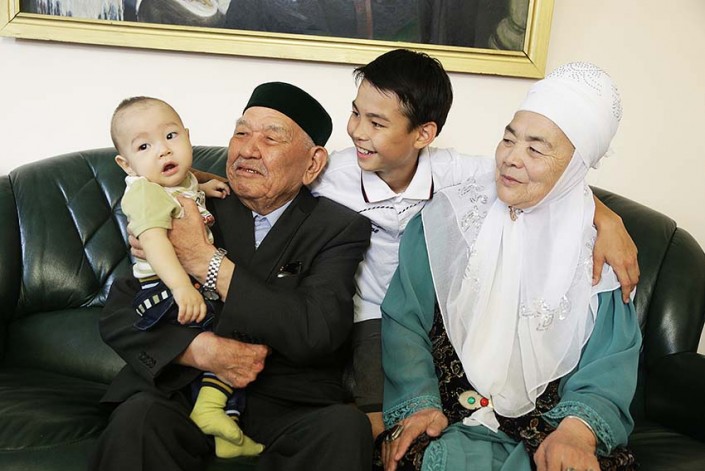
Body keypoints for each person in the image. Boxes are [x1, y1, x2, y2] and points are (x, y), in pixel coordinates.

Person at [309, 49, 640, 441]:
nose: (358, 131)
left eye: (377, 122)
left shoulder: (457, 174)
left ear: (423, 134)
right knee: (375, 434)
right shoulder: (332, 176)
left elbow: (553, 186)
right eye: (508, 140)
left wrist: (607, 219)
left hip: (526, 407)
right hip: (369, 319)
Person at [91, 82, 373, 471]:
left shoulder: (337, 228)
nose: (248, 149)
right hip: (182, 391)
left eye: (271, 138)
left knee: (344, 429)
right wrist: (199, 350)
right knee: (138, 421)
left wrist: (205, 260)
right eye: (241, 133)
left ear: (313, 163)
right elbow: (121, 312)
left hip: (284, 404)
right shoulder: (183, 202)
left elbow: (317, 329)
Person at [110, 96, 264, 459]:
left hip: (190, 285)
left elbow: (189, 186)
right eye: (144, 147)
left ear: (188, 137)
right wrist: (181, 287)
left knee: (240, 330)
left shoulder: (179, 183)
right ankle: (211, 408)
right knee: (233, 328)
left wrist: (206, 188)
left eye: (171, 136)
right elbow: (153, 243)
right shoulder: (145, 192)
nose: (163, 150)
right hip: (164, 288)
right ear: (126, 164)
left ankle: (221, 420)